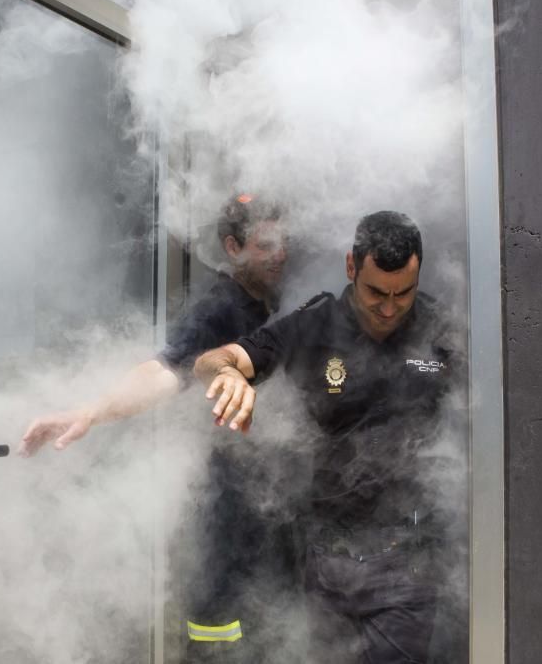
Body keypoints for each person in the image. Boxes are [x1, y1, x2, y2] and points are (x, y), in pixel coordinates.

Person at [20, 194, 296, 662]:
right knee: (220, 642)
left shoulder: (274, 303)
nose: (279, 255)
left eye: (282, 243)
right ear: (232, 247)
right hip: (225, 517)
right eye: (264, 245)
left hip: (266, 510)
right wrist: (93, 410)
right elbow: (163, 370)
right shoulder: (218, 310)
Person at [194, 211, 463, 663]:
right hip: (327, 564)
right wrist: (230, 375)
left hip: (408, 564)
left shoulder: (441, 332)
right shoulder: (313, 324)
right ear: (351, 267)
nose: (390, 307)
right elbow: (214, 360)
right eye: (377, 291)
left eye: (404, 293)